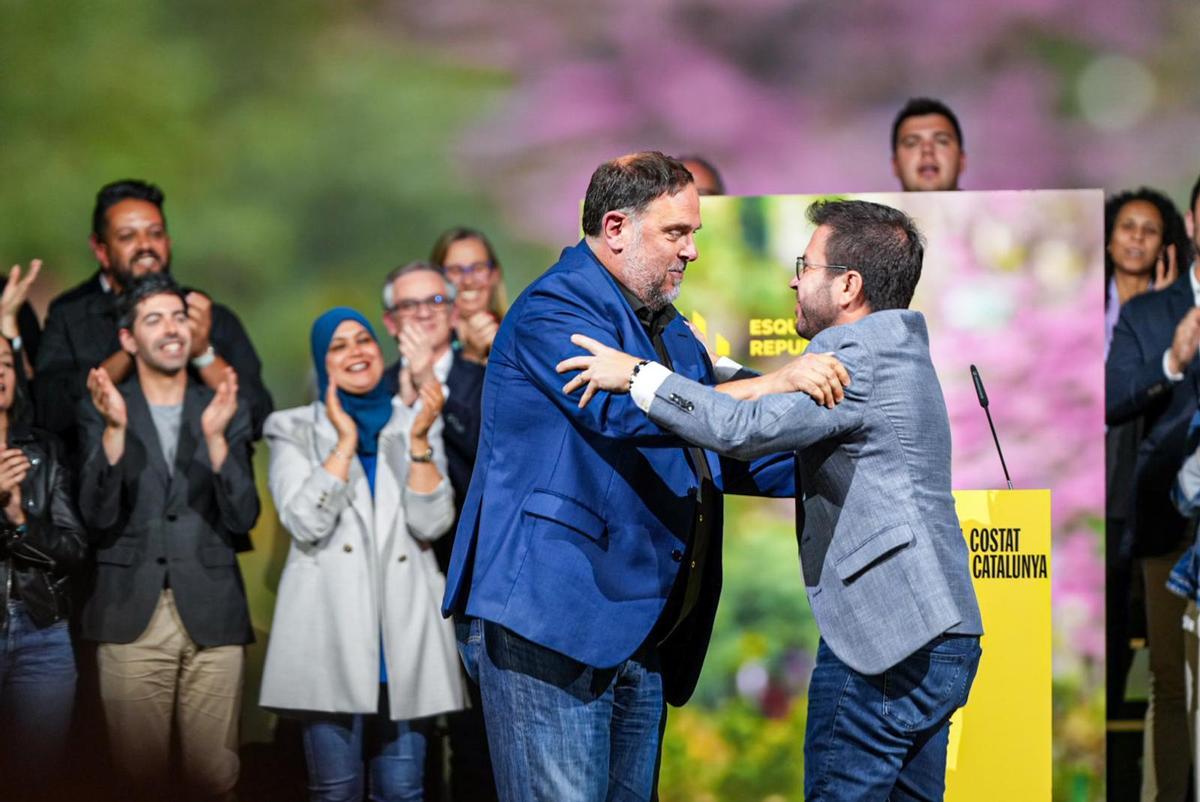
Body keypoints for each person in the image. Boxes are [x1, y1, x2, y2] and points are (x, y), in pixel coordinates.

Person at [559, 198, 984, 800]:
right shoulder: (896, 348)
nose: (792, 277)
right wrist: (712, 371)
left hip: (887, 639)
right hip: (944, 631)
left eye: (805, 265)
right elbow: (776, 403)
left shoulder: (855, 357)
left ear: (848, 286)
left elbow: (743, 433)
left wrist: (638, 376)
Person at [442, 151, 801, 802]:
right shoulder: (557, 305)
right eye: (677, 233)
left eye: (694, 232)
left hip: (636, 630)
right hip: (551, 621)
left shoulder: (665, 327)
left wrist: (830, 459)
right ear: (615, 228)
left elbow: (715, 439)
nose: (691, 250)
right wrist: (774, 384)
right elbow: (629, 410)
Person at [259, 307, 466, 802]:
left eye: (364, 340)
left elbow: (432, 522)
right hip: (327, 636)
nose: (356, 352)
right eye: (339, 345)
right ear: (321, 360)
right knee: (335, 793)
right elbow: (304, 521)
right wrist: (345, 445)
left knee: (403, 791)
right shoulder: (291, 428)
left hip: (403, 641)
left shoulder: (414, 422)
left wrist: (418, 442)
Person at [78, 273, 259, 800]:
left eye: (179, 317)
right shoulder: (104, 406)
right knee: (139, 780)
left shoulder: (223, 406)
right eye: (154, 319)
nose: (171, 328)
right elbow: (95, 513)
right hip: (129, 616)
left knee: (215, 778)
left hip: (214, 615)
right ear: (129, 339)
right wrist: (113, 431)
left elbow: (244, 515)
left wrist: (217, 441)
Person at [35, 179, 273, 450]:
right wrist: (133, 350)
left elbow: (256, 417)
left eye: (155, 233)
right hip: (107, 484)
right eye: (127, 237)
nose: (145, 245)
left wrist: (201, 352)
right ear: (101, 250)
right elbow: (49, 416)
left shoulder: (207, 316)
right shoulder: (70, 316)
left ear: (169, 242)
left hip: (203, 484)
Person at [380, 262, 495, 801]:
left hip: (473, 586)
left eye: (433, 302)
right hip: (398, 590)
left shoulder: (487, 377)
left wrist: (433, 392)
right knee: (404, 744)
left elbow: (487, 467)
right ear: (389, 319)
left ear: (452, 311)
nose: (422, 314)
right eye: (409, 305)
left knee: (476, 741)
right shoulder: (370, 386)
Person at [1108, 176, 1200, 802]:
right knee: (1169, 681)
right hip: (1168, 519)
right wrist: (1171, 361)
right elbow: (1113, 398)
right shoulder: (1148, 313)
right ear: (1192, 225)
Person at [0, 334, 87, 799]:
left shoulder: (45, 452)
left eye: (5, 363)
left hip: (42, 635)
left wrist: (19, 520)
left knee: (38, 782)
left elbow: (73, 549)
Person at [430, 228, 505, 364]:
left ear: (494, 275)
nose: (468, 281)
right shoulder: (428, 348)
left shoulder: (516, 337)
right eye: (455, 270)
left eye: (478, 268)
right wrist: (472, 356)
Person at [891, 97, 965, 192]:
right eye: (911, 143)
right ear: (895, 165)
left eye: (942, 141)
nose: (927, 149)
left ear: (961, 161)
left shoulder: (988, 206)